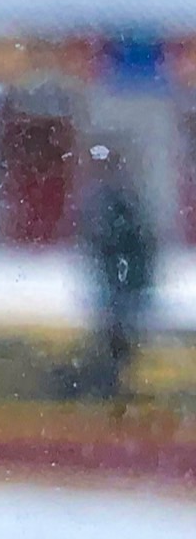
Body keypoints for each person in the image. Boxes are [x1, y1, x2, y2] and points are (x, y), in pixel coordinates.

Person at [82, 140, 155, 400]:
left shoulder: (115, 202)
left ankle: (117, 385)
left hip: (120, 287)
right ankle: (117, 385)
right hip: (118, 287)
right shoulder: (116, 200)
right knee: (119, 336)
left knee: (120, 335)